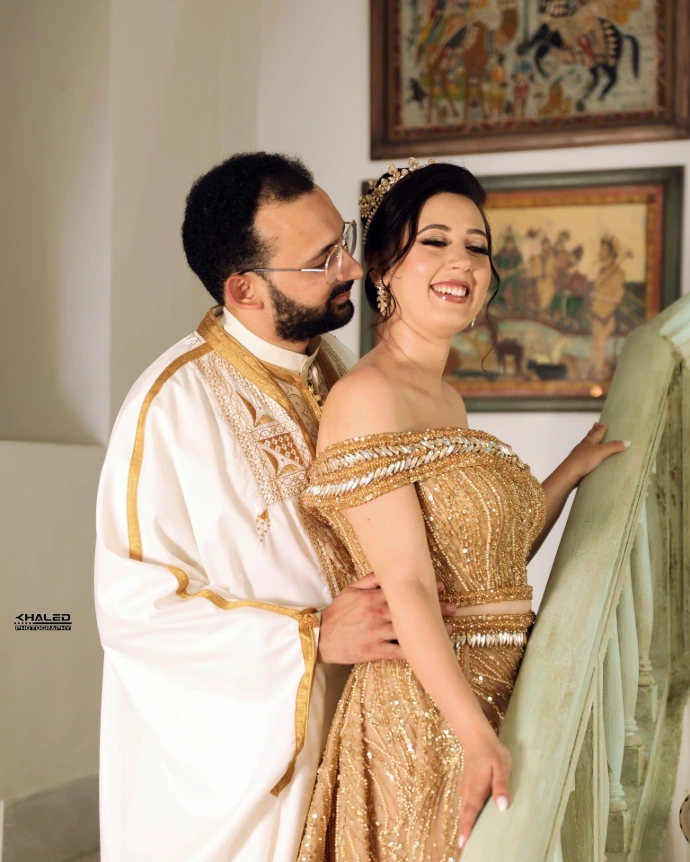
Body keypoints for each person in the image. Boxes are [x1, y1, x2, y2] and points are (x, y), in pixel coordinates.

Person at [94, 151, 457, 862]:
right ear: (245, 289)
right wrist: (312, 636)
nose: (350, 268)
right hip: (251, 754)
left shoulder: (333, 370)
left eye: (342, 242)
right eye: (322, 261)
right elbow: (134, 611)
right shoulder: (170, 405)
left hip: (359, 713)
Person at [297, 159, 629, 860]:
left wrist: (571, 471)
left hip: (502, 690)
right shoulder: (368, 396)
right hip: (426, 709)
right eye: (435, 242)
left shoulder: (445, 396)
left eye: (477, 246)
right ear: (383, 268)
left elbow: (483, 564)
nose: (463, 262)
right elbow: (409, 585)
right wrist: (474, 735)